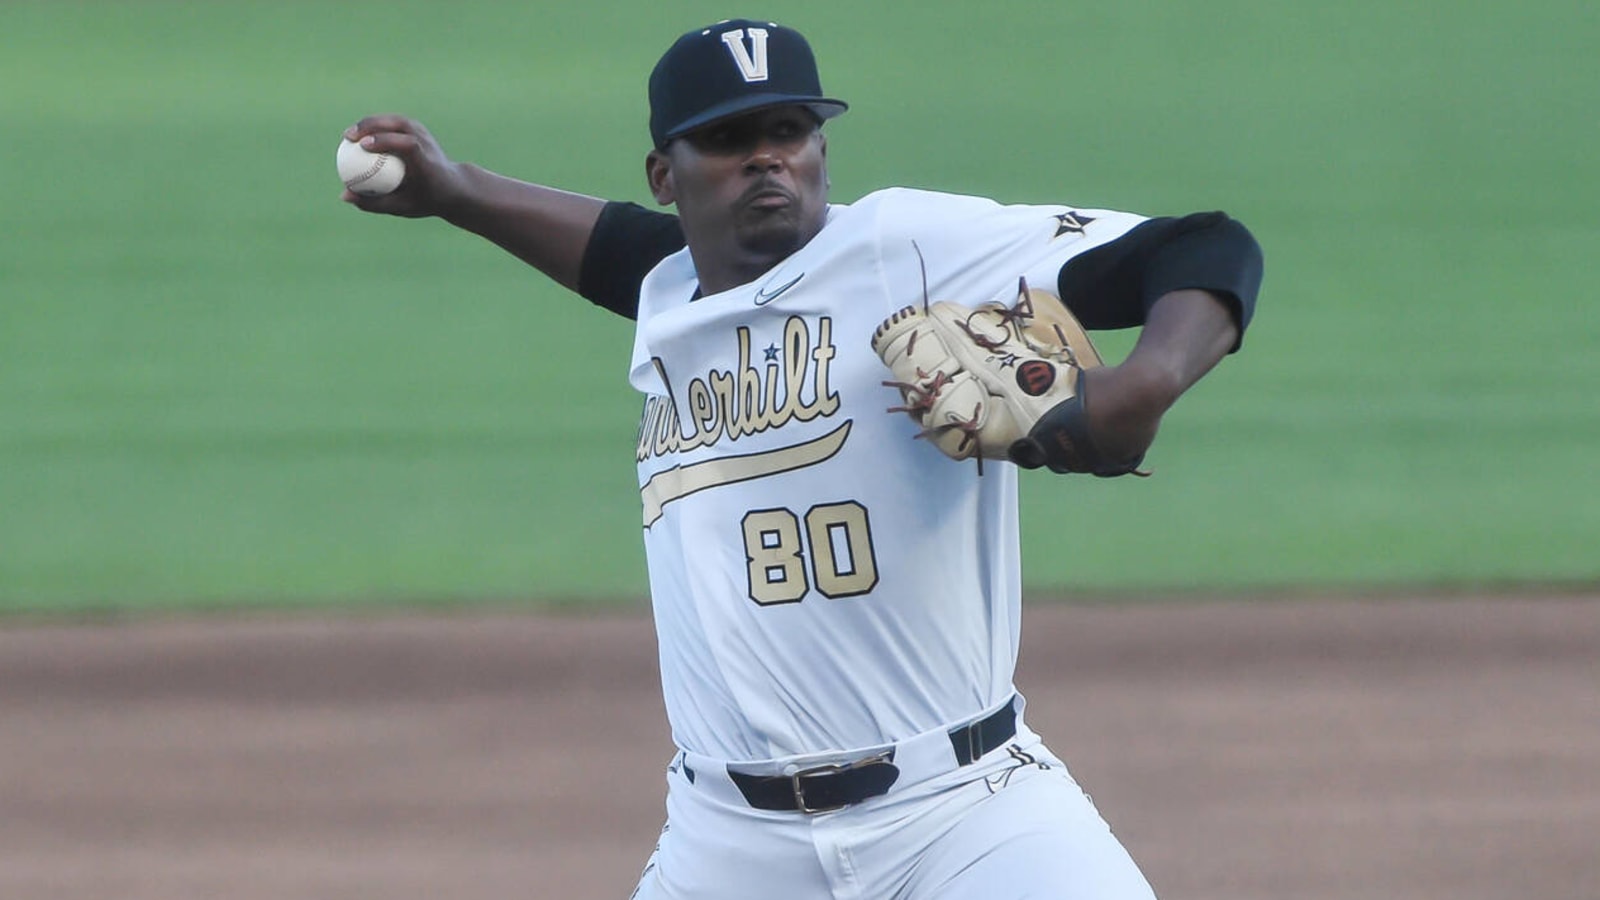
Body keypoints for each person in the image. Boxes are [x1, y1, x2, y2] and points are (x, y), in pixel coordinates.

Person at [341, 18, 1262, 900]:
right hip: (728, 842)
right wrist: (457, 191)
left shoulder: (906, 248)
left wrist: (1143, 383)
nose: (767, 156)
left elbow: (1205, 246)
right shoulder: (670, 285)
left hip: (967, 812)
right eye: (729, 138)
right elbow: (612, 247)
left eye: (789, 130)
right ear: (667, 175)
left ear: (821, 149)